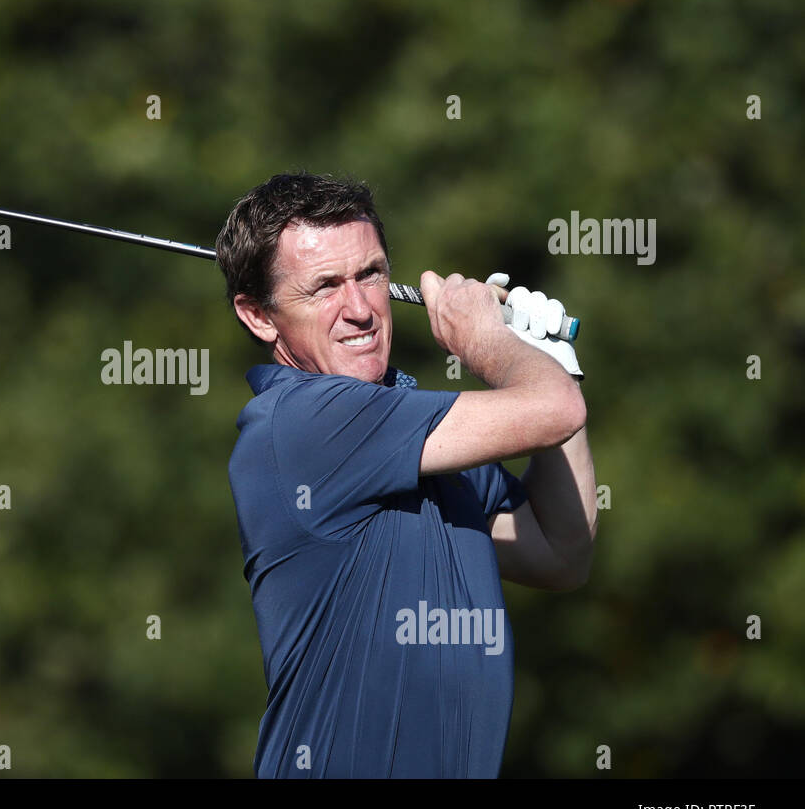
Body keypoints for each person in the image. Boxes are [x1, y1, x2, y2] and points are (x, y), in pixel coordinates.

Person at [216, 172, 597, 778]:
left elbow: (559, 555)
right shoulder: (301, 422)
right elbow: (550, 411)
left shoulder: (415, 427)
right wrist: (490, 344)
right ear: (260, 316)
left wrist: (552, 364)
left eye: (369, 274)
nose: (360, 309)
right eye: (324, 287)